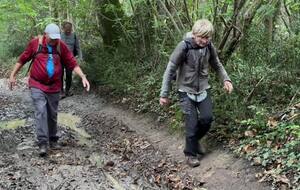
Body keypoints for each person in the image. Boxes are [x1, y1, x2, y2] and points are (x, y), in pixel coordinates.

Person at [159, 19, 233, 167]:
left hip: (203, 89)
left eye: (208, 38)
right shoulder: (183, 47)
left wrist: (226, 79)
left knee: (207, 119)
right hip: (185, 91)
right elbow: (170, 70)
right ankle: (190, 154)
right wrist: (164, 94)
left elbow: (217, 64)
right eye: (202, 38)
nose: (205, 41)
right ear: (194, 34)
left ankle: (193, 142)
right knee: (191, 124)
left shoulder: (209, 46)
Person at [9, 23, 90, 156]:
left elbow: (71, 62)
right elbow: (22, 59)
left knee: (52, 114)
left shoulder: (60, 45)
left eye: (55, 38)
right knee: (41, 111)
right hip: (37, 84)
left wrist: (82, 76)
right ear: (45, 34)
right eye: (51, 38)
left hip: (54, 86)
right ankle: (42, 143)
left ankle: (53, 139)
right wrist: (12, 75)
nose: (53, 40)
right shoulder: (35, 44)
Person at [60, 21, 83, 98]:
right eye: (67, 29)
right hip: (60, 58)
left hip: (70, 58)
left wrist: (80, 57)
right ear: (63, 29)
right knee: (60, 74)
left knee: (69, 75)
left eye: (70, 29)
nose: (68, 31)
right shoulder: (60, 36)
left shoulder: (74, 36)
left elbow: (77, 47)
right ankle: (61, 91)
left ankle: (67, 91)